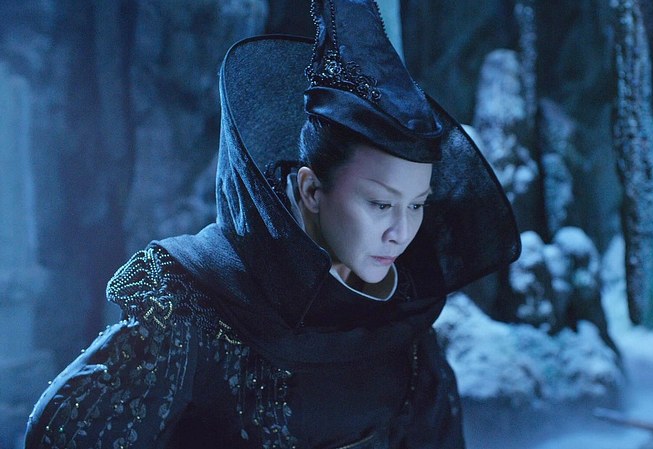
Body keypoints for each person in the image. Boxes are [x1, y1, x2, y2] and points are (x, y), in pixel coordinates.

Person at [24, 0, 519, 448]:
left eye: (416, 205)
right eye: (380, 203)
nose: (401, 232)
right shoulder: (194, 303)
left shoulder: (404, 317)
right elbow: (62, 436)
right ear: (311, 189)